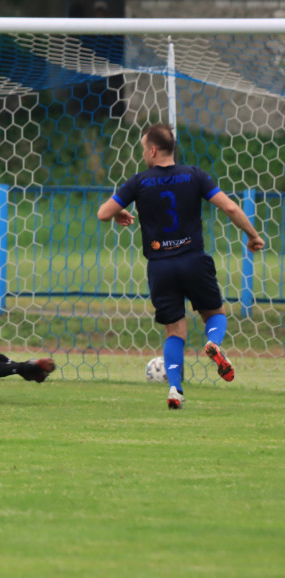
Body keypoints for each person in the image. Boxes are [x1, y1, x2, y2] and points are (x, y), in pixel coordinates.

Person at [97, 123, 265, 409]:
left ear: (152, 150)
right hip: (193, 260)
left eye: (142, 150)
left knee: (175, 331)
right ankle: (214, 343)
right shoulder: (194, 176)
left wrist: (120, 213)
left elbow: (103, 213)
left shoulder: (139, 181)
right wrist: (253, 235)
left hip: (160, 267)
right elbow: (231, 208)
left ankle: (175, 389)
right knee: (215, 314)